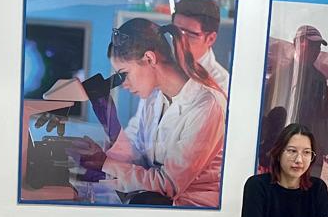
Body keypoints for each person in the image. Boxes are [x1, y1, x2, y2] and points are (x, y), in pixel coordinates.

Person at [72, 18, 226, 207]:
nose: (123, 84)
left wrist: (105, 164)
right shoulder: (154, 98)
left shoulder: (206, 105)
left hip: (191, 208)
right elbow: (141, 162)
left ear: (149, 59)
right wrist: (109, 124)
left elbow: (168, 184)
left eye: (124, 74)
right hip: (154, 201)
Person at [261, 25, 328, 164]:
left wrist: (321, 148)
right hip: (277, 148)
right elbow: (266, 112)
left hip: (304, 152)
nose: (316, 50)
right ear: (297, 43)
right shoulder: (279, 76)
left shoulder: (319, 80)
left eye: (318, 47)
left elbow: (321, 118)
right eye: (312, 45)